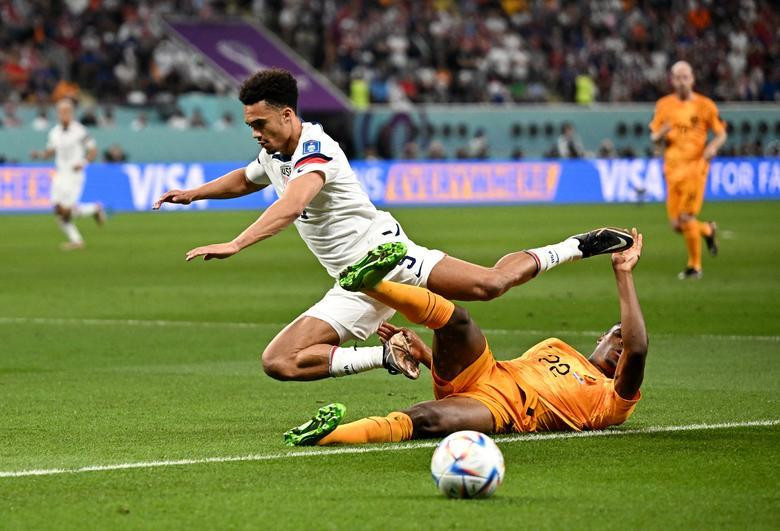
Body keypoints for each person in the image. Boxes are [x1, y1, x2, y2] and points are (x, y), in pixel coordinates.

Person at [153, 68, 634, 383]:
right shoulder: (274, 150)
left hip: (387, 257)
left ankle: (575, 245)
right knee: (279, 361)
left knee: (490, 285)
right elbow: (245, 178)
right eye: (250, 128)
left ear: (287, 114)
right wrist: (193, 193)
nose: (256, 134)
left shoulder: (316, 150)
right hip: (355, 284)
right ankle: (389, 354)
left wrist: (237, 243)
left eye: (260, 124)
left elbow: (292, 206)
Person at [284, 229, 646, 446]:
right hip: (482, 374)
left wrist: (623, 275)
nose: (620, 346)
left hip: (502, 411)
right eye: (616, 337)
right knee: (457, 320)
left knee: (427, 420)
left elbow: (638, 348)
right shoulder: (556, 348)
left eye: (623, 343)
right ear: (600, 337)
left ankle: (325, 436)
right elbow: (500, 373)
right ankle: (371, 284)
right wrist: (430, 356)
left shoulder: (613, 402)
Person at [650, 61, 727, 279]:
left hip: (695, 168)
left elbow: (721, 133)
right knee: (677, 225)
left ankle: (695, 267)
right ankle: (708, 230)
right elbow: (654, 137)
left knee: (685, 217)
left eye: (685, 77)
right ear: (671, 80)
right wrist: (660, 136)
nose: (682, 82)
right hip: (672, 169)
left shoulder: (705, 105)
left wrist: (712, 147)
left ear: (692, 79)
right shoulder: (664, 105)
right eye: (677, 77)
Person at [30, 99, 105, 250]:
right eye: (61, 112)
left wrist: (83, 162)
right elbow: (51, 151)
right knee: (58, 210)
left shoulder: (80, 130)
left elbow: (92, 150)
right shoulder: (54, 132)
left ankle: (79, 236)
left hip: (74, 175)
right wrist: (39, 154)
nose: (64, 114)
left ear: (71, 113)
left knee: (67, 212)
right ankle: (93, 210)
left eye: (67, 112)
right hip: (60, 174)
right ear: (58, 114)